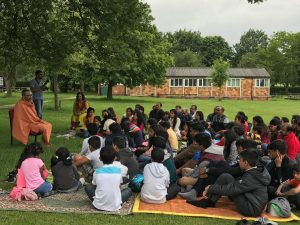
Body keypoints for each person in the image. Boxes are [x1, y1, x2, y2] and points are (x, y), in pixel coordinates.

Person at [187, 150, 271, 217]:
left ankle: (207, 201)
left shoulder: (251, 176)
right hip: (252, 203)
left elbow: (231, 190)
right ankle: (208, 201)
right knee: (226, 176)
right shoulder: (256, 170)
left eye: (240, 160)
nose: (239, 162)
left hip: (251, 209)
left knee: (227, 182)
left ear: (246, 162)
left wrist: (210, 187)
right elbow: (233, 179)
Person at [84, 146, 131, 211]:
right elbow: (118, 187)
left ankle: (100, 201)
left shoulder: (97, 171)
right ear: (115, 158)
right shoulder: (118, 171)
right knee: (128, 190)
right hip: (115, 205)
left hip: (99, 205)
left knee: (88, 187)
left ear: (100, 158)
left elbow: (94, 186)